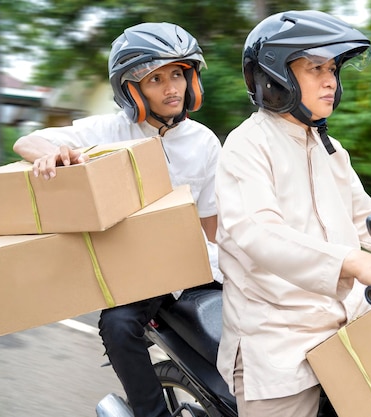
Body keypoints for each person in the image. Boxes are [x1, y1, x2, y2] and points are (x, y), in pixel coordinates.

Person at [214, 10, 371, 417]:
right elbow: (258, 232)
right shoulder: (247, 145)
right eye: (315, 67)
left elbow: (365, 220)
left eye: (332, 68)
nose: (331, 80)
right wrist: (359, 264)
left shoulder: (328, 148)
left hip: (346, 321)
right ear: (275, 76)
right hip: (279, 343)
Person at [13, 22, 222, 417]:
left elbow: (212, 223)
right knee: (118, 324)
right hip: (141, 271)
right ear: (131, 89)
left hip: (195, 264)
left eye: (177, 74)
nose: (171, 87)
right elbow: (27, 140)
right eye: (155, 79)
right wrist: (52, 153)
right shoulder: (109, 129)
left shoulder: (205, 142)